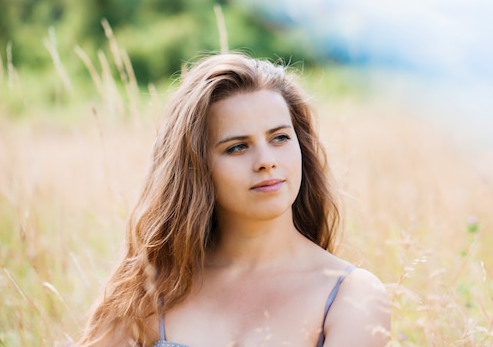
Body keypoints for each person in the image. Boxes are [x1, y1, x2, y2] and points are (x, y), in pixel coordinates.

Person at [77, 53, 391, 347]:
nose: (266, 161)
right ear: (196, 167)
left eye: (279, 137)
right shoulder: (151, 289)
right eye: (237, 147)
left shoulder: (350, 295)